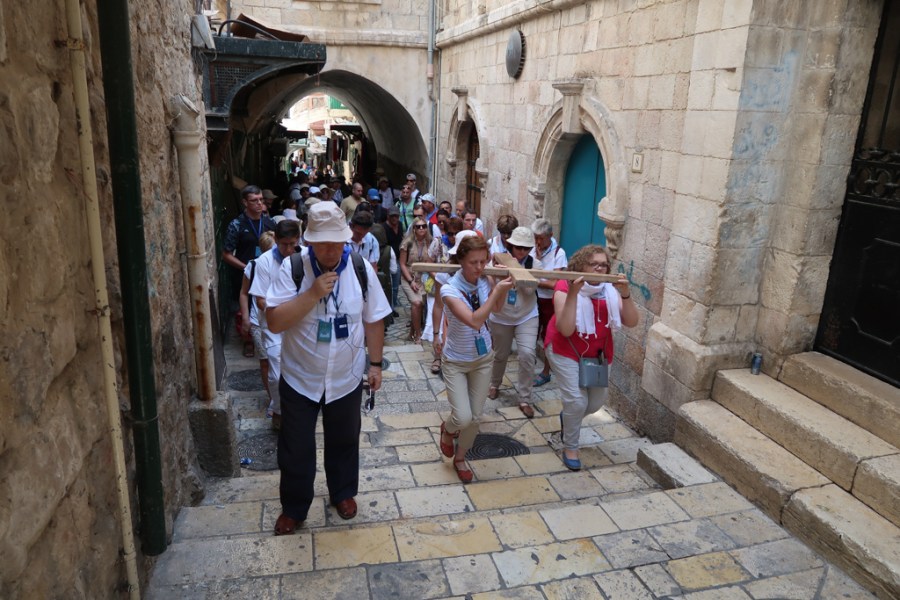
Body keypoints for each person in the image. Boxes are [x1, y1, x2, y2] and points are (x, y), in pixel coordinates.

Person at [266, 202, 391, 534]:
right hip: (300, 377)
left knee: (345, 439)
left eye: (337, 242)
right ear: (309, 241)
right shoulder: (293, 268)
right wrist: (311, 294)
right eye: (323, 243)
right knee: (296, 447)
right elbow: (275, 321)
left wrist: (375, 365)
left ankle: (343, 492)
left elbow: (374, 319)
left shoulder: (360, 268)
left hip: (345, 377)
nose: (331, 250)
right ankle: (294, 508)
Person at [545, 245, 638, 471]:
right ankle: (571, 447)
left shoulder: (610, 289)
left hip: (597, 355)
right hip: (565, 349)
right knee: (577, 401)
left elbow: (632, 321)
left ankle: (569, 416)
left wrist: (625, 294)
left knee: (595, 403)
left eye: (603, 264)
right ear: (580, 265)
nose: (599, 268)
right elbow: (565, 329)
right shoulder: (564, 285)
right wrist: (573, 294)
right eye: (593, 264)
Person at [437, 235, 513, 482]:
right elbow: (474, 320)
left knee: (476, 417)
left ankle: (460, 459)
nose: (479, 267)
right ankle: (448, 430)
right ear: (461, 261)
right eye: (473, 262)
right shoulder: (449, 289)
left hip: (483, 357)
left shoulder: (485, 280)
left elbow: (497, 309)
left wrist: (500, 286)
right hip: (456, 361)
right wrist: (497, 290)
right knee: (462, 416)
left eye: (483, 261)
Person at [248, 221, 302, 428]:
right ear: (276, 240)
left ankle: (299, 409)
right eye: (284, 244)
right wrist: (283, 311)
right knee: (276, 373)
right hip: (273, 325)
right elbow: (260, 299)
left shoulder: (305, 257)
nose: (288, 249)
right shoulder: (264, 262)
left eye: (292, 244)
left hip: (300, 324)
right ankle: (279, 410)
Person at [487, 227, 539, 418]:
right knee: (500, 354)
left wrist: (517, 271)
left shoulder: (535, 264)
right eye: (518, 247)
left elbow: (529, 290)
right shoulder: (497, 260)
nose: (522, 252)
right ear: (511, 245)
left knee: (527, 354)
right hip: (502, 315)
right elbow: (490, 283)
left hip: (527, 314)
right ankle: (494, 384)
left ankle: (525, 398)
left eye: (526, 248)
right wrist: (498, 273)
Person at [223, 184, 277, 356]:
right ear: (245, 202)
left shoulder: (270, 223)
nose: (259, 203)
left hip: (267, 273)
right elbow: (226, 254)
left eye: (261, 200)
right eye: (254, 200)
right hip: (245, 273)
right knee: (244, 307)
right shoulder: (237, 225)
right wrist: (246, 267)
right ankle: (248, 341)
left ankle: (267, 336)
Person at [239, 231, 276, 406]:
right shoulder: (253, 266)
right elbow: (244, 293)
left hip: (280, 319)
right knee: (265, 361)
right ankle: (272, 399)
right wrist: (246, 318)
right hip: (259, 321)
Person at [530, 218, 568, 386]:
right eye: (535, 237)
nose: (538, 241)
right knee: (531, 333)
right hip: (533, 298)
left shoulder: (559, 253)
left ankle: (546, 372)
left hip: (550, 302)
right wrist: (537, 263)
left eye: (541, 238)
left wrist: (535, 280)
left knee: (549, 337)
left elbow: (554, 283)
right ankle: (529, 367)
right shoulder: (533, 250)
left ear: (550, 235)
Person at [398, 216, 433, 342]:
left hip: (423, 279)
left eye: (424, 226)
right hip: (408, 278)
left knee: (419, 306)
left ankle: (411, 333)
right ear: (414, 229)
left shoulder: (430, 243)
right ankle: (418, 335)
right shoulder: (407, 243)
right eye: (418, 227)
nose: (421, 229)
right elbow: (402, 264)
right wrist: (410, 281)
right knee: (417, 303)